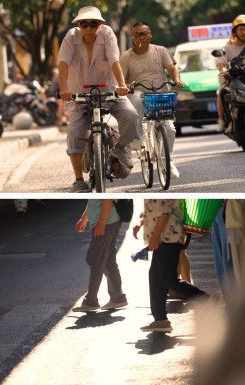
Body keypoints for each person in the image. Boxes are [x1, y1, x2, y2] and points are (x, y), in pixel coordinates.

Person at [58, 6, 139, 192]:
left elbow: (114, 61)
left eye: (93, 23)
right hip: (79, 95)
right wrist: (64, 89)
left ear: (100, 24)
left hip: (109, 91)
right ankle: (78, 180)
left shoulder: (108, 33)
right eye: (84, 23)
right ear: (78, 24)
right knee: (74, 133)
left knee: (131, 115)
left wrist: (122, 85)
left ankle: (119, 147)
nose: (88, 27)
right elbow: (63, 63)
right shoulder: (71, 36)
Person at [120, 22, 185, 179]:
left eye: (144, 33)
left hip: (161, 96)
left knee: (169, 128)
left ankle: (168, 162)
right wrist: (125, 85)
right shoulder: (126, 56)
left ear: (150, 34)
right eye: (138, 34)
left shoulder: (160, 51)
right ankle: (137, 137)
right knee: (136, 98)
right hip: (140, 94)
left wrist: (176, 80)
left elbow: (172, 69)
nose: (142, 37)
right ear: (133, 37)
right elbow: (121, 79)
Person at [133, 199, 208, 332]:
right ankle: (161, 320)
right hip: (164, 238)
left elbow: (163, 213)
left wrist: (155, 236)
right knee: (156, 279)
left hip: (168, 237)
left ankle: (207, 301)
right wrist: (141, 223)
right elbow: (154, 208)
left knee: (169, 280)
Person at [73, 199, 128, 312]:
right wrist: (84, 219)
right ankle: (117, 297)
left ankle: (91, 301)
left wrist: (102, 222)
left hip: (106, 223)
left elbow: (108, 199)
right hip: (107, 223)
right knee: (107, 261)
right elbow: (93, 202)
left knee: (95, 260)